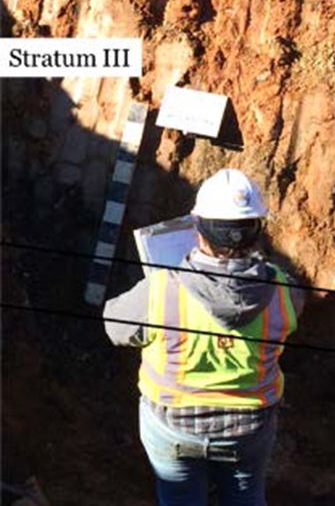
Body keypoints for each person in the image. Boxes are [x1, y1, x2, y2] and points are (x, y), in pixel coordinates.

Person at [103, 168, 304, 506]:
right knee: (246, 499)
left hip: (174, 425)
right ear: (257, 230)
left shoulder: (163, 287)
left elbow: (116, 328)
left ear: (198, 229)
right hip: (248, 428)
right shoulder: (286, 291)